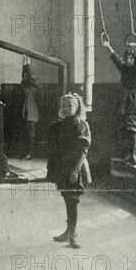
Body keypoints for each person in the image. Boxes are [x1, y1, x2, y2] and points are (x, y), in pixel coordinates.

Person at [46, 93, 91, 249]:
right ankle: (69, 230)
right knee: (67, 198)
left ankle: (72, 234)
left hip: (75, 167)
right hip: (63, 167)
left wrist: (75, 171)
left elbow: (83, 151)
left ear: (77, 107)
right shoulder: (59, 125)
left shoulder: (81, 125)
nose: (65, 109)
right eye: (63, 105)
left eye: (69, 106)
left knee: (72, 201)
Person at [101, 41, 136, 165]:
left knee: (132, 129)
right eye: (126, 57)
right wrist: (108, 46)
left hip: (134, 101)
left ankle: (133, 155)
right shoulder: (123, 68)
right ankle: (127, 154)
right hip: (124, 101)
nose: (128, 59)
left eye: (131, 57)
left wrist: (135, 49)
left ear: (134, 59)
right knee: (126, 129)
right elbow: (115, 58)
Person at [20, 55, 39, 160]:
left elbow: (29, 74)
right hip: (25, 110)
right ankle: (26, 152)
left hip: (31, 111)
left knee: (31, 133)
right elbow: (24, 73)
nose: (24, 76)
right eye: (24, 75)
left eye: (26, 75)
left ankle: (30, 153)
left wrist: (28, 62)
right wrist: (24, 62)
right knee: (25, 133)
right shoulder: (24, 84)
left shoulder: (32, 85)